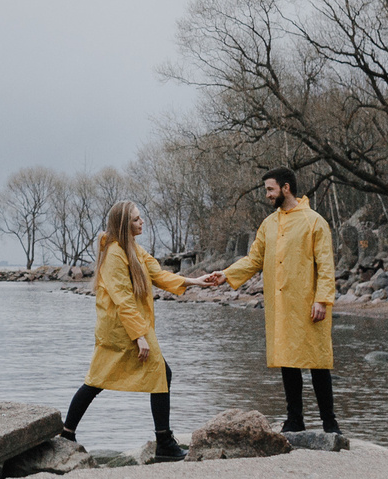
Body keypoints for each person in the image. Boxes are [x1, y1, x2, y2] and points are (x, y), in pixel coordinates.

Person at [63, 200, 225, 460]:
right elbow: (123, 299)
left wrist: (196, 281)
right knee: (108, 379)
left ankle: (67, 433)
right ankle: (164, 444)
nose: (142, 222)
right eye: (136, 219)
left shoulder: (133, 249)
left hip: (129, 325)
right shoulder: (114, 254)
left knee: (101, 380)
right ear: (124, 224)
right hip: (121, 329)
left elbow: (158, 275)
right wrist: (139, 337)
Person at [218, 168, 338, 435]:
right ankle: (294, 420)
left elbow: (326, 266)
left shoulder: (314, 221)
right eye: (266, 191)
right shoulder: (268, 224)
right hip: (281, 305)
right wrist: (226, 275)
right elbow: (254, 260)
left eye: (270, 189)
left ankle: (330, 423)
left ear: (286, 188)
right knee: (288, 361)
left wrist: (322, 300)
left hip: (309, 303)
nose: (267, 195)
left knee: (318, 362)